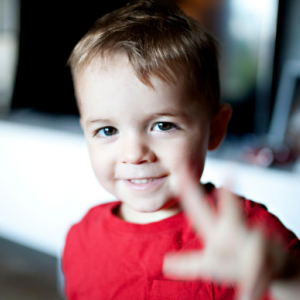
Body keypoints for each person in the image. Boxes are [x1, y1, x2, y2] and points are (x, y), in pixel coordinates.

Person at [62, 0, 300, 299]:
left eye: (163, 125)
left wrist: (285, 277)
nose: (134, 154)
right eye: (107, 130)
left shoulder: (248, 235)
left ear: (214, 129)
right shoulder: (81, 238)